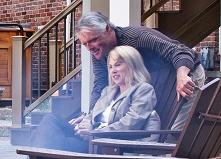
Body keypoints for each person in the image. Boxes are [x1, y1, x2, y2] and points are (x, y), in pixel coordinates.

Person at [11, 46, 159, 159]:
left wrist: (94, 133)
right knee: (50, 119)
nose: (113, 71)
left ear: (132, 65)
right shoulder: (108, 91)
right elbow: (91, 116)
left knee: (48, 142)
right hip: (87, 140)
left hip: (107, 148)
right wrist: (85, 126)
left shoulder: (143, 90)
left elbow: (131, 123)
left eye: (118, 65)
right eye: (110, 67)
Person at [76, 11, 205, 133]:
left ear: (108, 29)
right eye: (85, 44)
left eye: (93, 40)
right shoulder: (99, 52)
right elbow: (100, 84)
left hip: (185, 71)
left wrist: (182, 75)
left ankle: (177, 154)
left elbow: (180, 51)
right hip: (161, 77)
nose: (89, 48)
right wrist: (91, 116)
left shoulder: (136, 37)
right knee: (160, 123)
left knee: (173, 130)